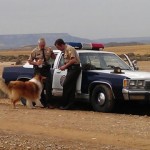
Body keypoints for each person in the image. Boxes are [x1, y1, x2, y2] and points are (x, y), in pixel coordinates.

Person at [28, 38, 55, 108]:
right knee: (39, 87)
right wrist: (36, 63)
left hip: (46, 69)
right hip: (38, 70)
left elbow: (53, 57)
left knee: (48, 87)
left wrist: (52, 53)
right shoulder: (34, 51)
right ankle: (42, 103)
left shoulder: (48, 49)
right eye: (41, 45)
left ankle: (49, 103)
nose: (43, 46)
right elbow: (29, 61)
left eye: (44, 45)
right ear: (39, 44)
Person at [54, 39, 81, 110]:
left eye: (58, 48)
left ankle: (65, 104)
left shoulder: (70, 49)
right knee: (71, 87)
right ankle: (70, 105)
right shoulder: (65, 50)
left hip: (74, 69)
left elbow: (73, 60)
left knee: (66, 85)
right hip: (70, 69)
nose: (58, 49)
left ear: (62, 45)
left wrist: (64, 66)